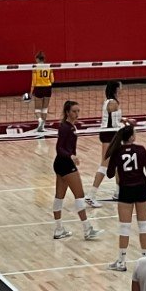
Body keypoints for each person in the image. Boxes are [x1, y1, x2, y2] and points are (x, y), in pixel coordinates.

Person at [105, 121, 146, 270]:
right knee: (143, 225)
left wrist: (116, 166)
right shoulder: (141, 150)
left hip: (126, 190)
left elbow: (108, 174)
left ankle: (121, 261)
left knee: (124, 228)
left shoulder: (117, 152)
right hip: (141, 188)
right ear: (132, 138)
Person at [50, 99, 100, 241]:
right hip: (66, 164)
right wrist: (71, 156)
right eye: (74, 111)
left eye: (78, 111)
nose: (77, 114)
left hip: (60, 164)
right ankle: (87, 229)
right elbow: (59, 148)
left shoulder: (68, 126)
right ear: (67, 112)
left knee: (59, 197)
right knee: (80, 196)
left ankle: (59, 229)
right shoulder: (66, 128)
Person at [88, 81, 126, 204]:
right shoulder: (113, 103)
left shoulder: (110, 101)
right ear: (116, 89)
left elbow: (115, 119)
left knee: (118, 164)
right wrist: (125, 126)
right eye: (120, 87)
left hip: (111, 134)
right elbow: (115, 123)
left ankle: (119, 192)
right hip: (110, 135)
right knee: (105, 165)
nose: (122, 89)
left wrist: (124, 120)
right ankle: (91, 195)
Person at [30, 52, 55, 133]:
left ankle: (40, 121)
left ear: (37, 59)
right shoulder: (49, 67)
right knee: (45, 108)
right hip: (48, 88)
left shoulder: (35, 67)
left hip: (39, 88)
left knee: (37, 109)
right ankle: (42, 127)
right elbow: (52, 80)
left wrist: (31, 92)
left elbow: (33, 82)